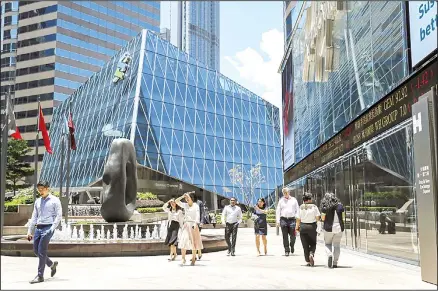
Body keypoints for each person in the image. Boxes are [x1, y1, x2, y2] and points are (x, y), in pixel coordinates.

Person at [27, 180, 62, 284]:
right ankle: (51, 265)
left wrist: (52, 229)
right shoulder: (38, 201)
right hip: (38, 227)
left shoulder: (55, 200)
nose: (40, 191)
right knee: (36, 251)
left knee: (42, 251)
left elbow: (58, 215)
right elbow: (34, 217)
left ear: (47, 188)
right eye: (39, 190)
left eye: (42, 189)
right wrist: (29, 231)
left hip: (48, 227)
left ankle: (40, 276)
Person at [175, 192, 203, 266]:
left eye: (188, 197)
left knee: (194, 242)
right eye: (186, 198)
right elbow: (176, 201)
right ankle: (183, 258)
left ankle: (193, 258)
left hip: (193, 225)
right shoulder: (185, 205)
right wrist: (182, 196)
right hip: (186, 224)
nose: (186, 199)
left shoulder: (196, 206)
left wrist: (195, 223)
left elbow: (197, 215)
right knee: (183, 241)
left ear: (192, 198)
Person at [295, 193, 321, 267]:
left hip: (303, 227)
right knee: (313, 243)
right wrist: (318, 229)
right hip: (312, 226)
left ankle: (308, 260)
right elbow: (318, 218)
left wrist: (297, 228)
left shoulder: (300, 207)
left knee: (305, 245)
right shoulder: (314, 207)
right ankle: (311, 253)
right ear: (309, 199)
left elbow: (298, 219)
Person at [320, 192, 345, 268]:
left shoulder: (325, 207)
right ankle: (335, 263)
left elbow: (323, 218)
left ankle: (329, 254)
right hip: (339, 228)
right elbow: (343, 218)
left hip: (328, 228)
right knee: (337, 245)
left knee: (328, 244)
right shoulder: (341, 206)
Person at [276, 187, 300, 256]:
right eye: (284, 193)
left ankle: (292, 245)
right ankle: (286, 250)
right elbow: (278, 211)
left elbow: (297, 210)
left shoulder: (294, 200)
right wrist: (278, 221)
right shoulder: (281, 201)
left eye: (286, 192)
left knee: (293, 235)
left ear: (289, 192)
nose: (285, 194)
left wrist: (297, 218)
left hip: (292, 219)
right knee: (285, 236)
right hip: (283, 219)